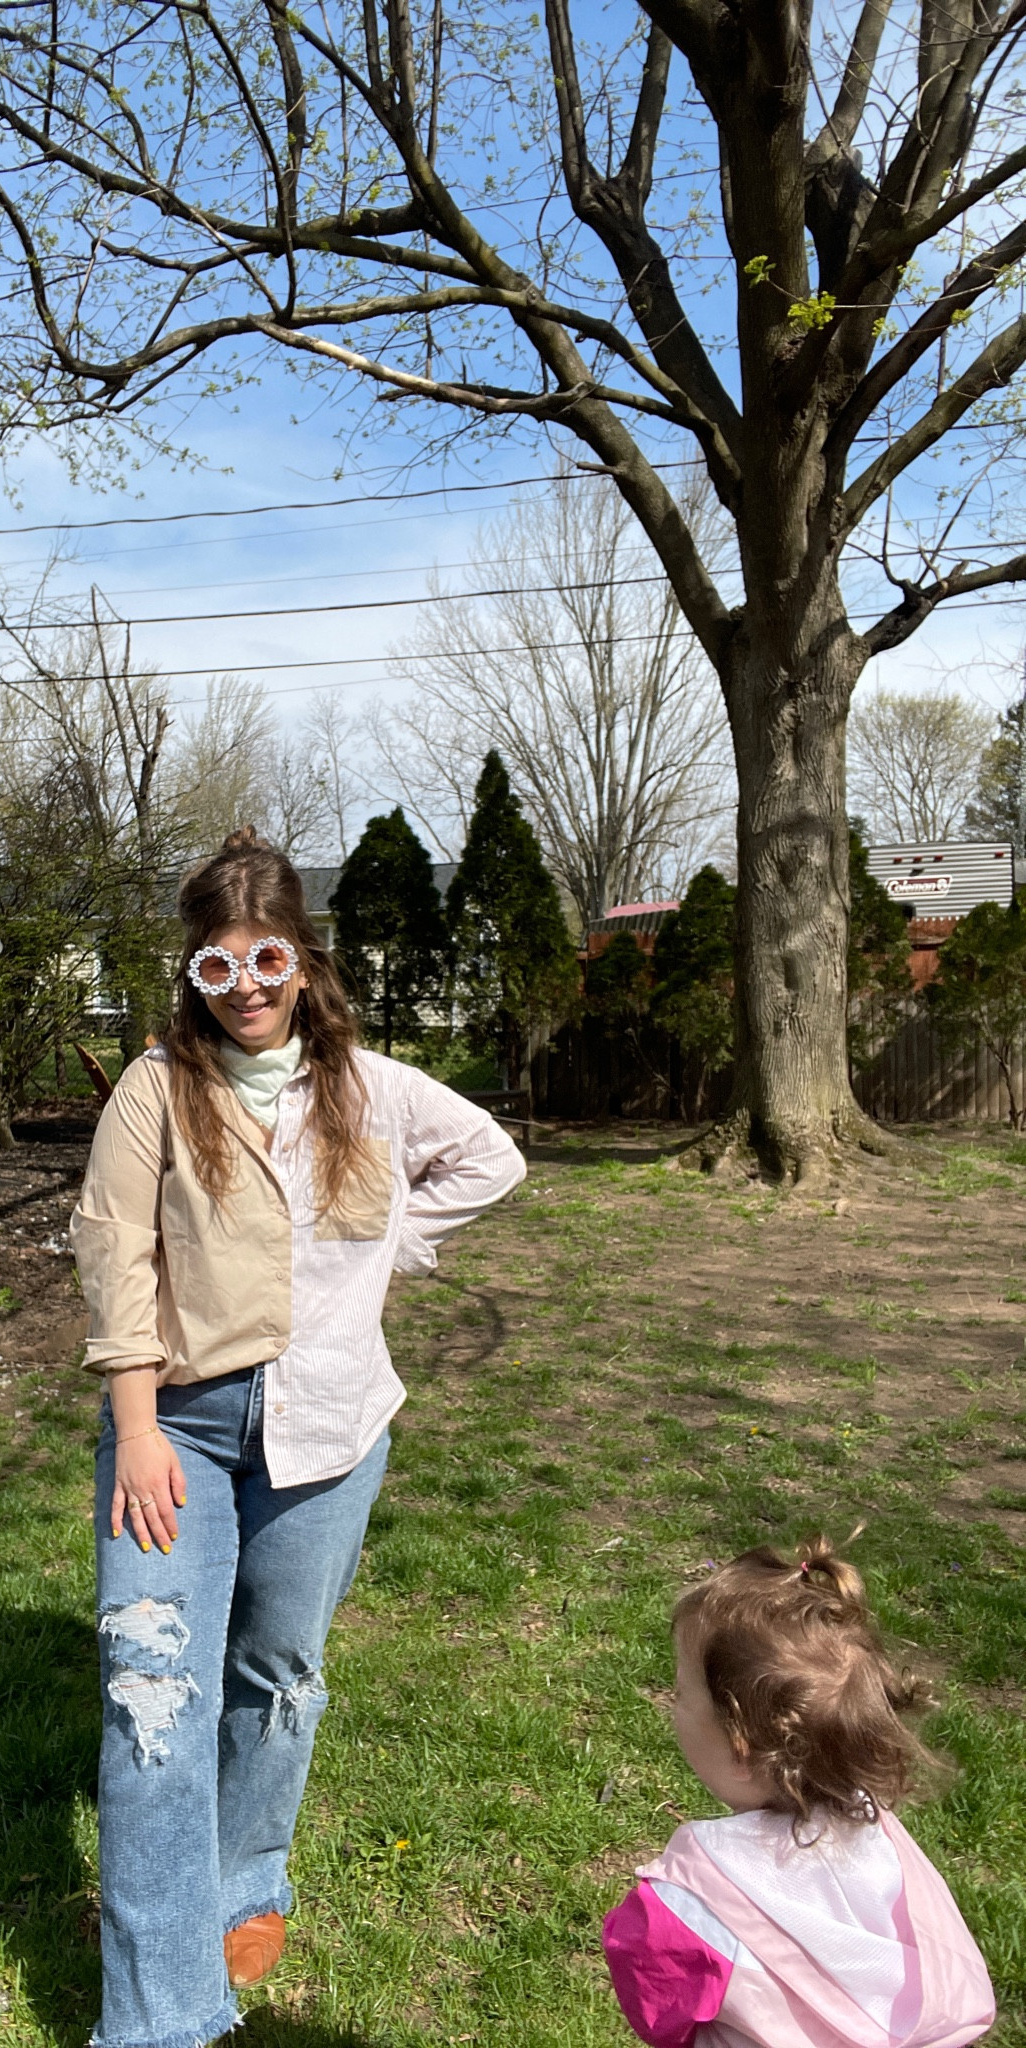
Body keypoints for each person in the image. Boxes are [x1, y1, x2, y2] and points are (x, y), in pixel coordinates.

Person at [70, 826, 523, 2048]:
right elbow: (112, 1253)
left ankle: (241, 1883)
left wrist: (393, 1244)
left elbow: (494, 1157)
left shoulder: (373, 1090)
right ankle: (163, 2014)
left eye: (267, 957)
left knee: (276, 1674)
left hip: (331, 1428)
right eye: (219, 967)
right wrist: (138, 1424)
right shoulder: (155, 1087)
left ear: (304, 961)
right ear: (195, 977)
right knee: (151, 1692)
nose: (248, 986)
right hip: (178, 1429)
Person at [603, 1539, 995, 2048]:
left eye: (681, 1694)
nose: (671, 1705)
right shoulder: (876, 1831)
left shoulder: (692, 1895)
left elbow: (660, 2008)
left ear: (741, 1748)